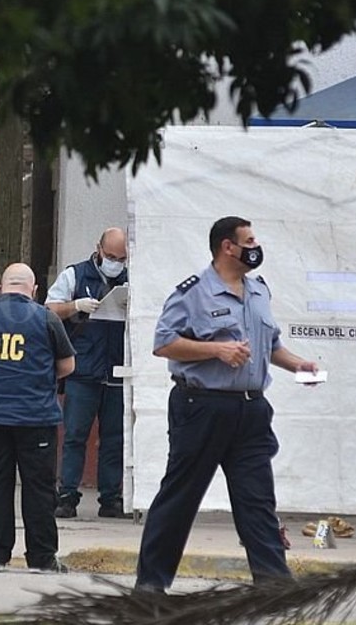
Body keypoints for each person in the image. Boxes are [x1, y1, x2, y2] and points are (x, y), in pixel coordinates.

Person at [135, 216, 318, 593]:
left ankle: (273, 586)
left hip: (250, 411)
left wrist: (299, 364)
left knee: (257, 501)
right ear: (227, 247)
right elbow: (163, 342)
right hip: (201, 406)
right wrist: (215, 350)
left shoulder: (259, 291)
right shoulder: (193, 292)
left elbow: (271, 345)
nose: (256, 247)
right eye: (249, 241)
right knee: (180, 497)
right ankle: (151, 585)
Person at [0, 264, 76, 573]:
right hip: (36, 417)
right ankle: (41, 558)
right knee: (39, 488)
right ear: (34, 291)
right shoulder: (46, 318)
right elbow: (68, 366)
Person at [45, 227, 130, 518]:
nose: (115, 262)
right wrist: (75, 306)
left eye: (121, 258)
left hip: (116, 369)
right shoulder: (75, 275)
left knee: (115, 438)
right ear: (98, 248)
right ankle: (67, 495)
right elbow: (49, 310)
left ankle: (111, 499)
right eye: (110, 256)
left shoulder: (132, 279)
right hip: (83, 369)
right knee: (74, 436)